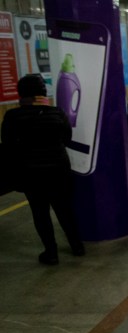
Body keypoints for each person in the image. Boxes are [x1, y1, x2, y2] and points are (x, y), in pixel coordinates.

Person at [1, 74, 84, 265]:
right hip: (59, 171)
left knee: (40, 213)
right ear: (42, 92)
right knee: (65, 210)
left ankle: (51, 253)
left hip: (31, 174)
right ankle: (77, 246)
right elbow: (67, 138)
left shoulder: (13, 116)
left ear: (21, 93)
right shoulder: (57, 113)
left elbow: (8, 147)